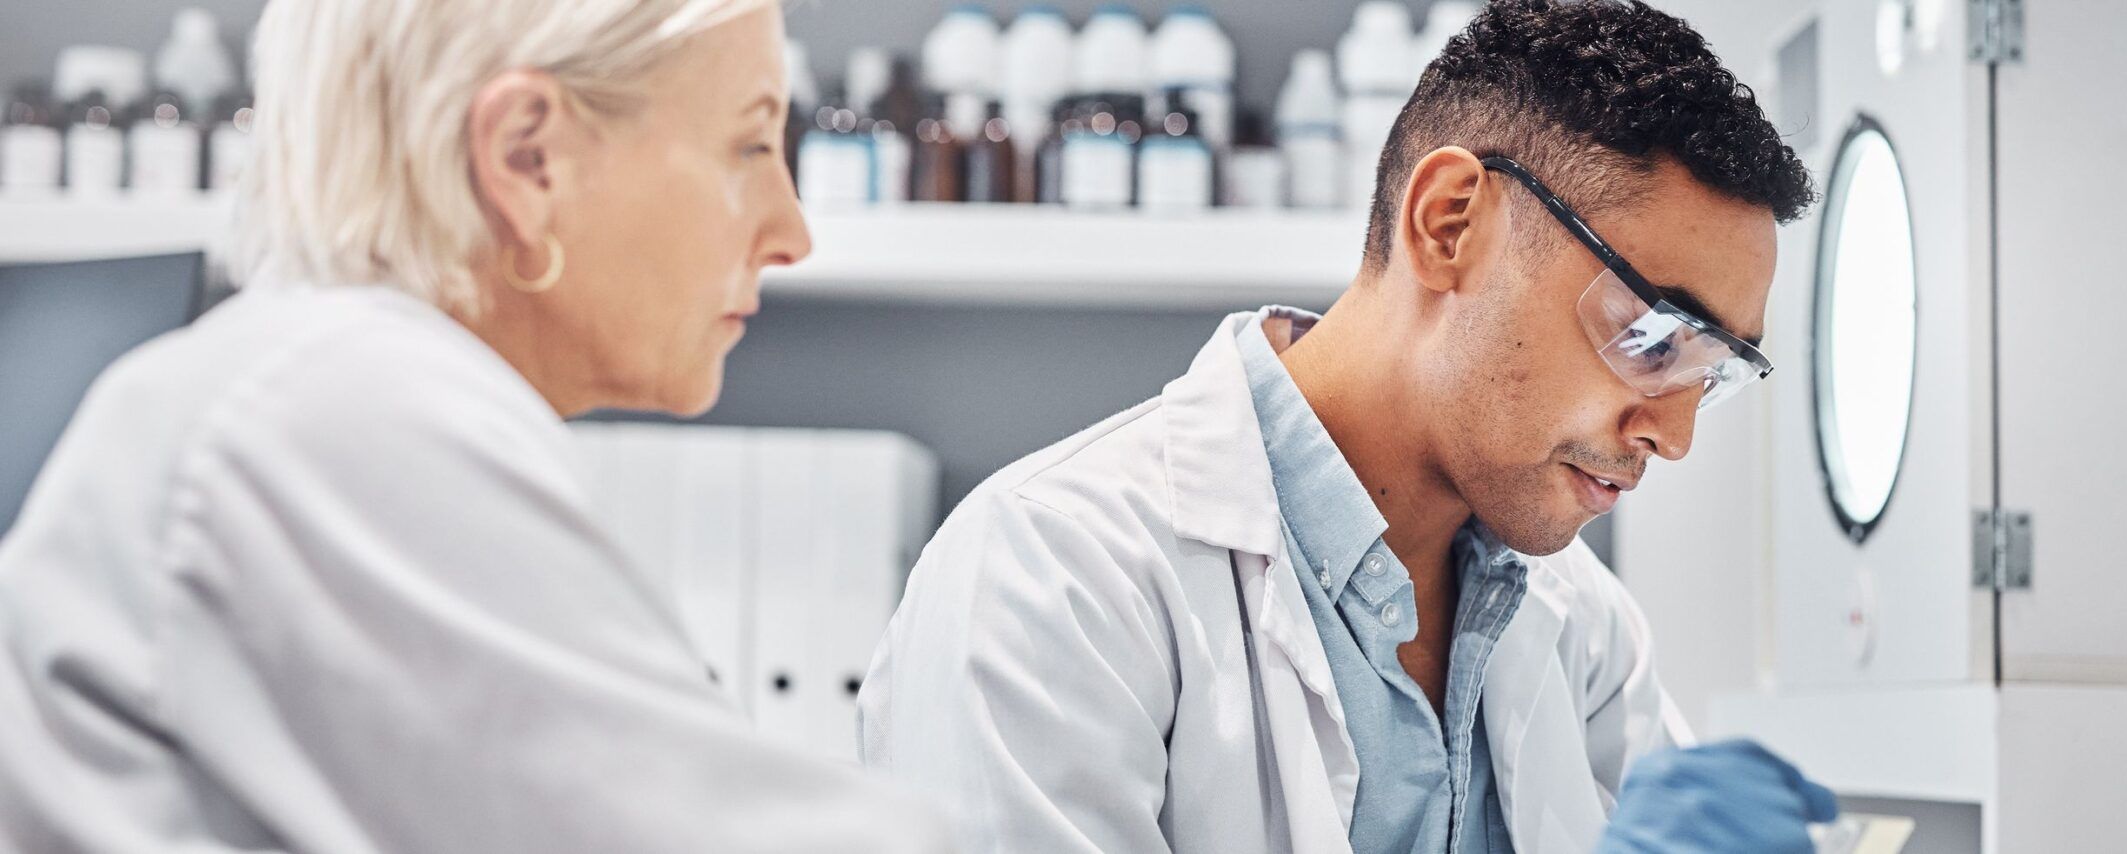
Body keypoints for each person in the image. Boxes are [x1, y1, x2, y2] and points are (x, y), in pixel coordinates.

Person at [854, 1, 1834, 852]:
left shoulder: (1581, 623)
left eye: (1709, 374)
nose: (1674, 435)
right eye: (1656, 337)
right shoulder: (1051, 578)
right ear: (1449, 222)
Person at [0, 1, 944, 851]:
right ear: (527, 157)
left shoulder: (327, 389)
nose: (791, 230)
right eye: (749, 148)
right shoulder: (341, 408)